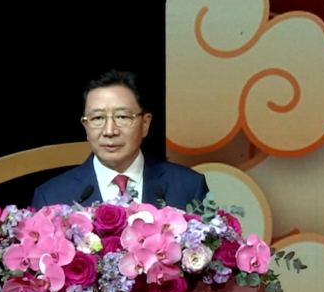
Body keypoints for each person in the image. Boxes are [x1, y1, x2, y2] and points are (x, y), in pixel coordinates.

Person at [31, 69, 208, 210]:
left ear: (145, 124)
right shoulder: (52, 197)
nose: (110, 131)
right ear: (86, 126)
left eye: (122, 117)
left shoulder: (188, 187)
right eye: (98, 118)